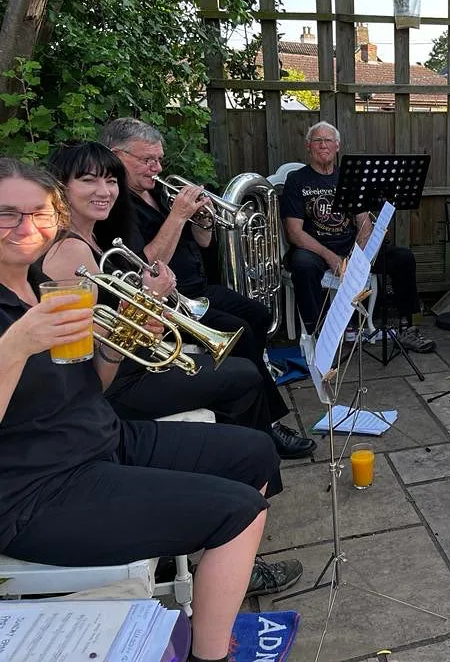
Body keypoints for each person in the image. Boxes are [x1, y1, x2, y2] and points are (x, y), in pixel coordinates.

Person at [0, 158, 303, 662]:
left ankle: (215, 580)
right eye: (7, 214)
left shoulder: (42, 284)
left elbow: (90, 387)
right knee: (240, 510)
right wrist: (14, 346)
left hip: (102, 437)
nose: (26, 227)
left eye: (38, 213)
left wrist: (120, 341)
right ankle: (210, 654)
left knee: (255, 451)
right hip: (36, 489)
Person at [42, 143, 287, 465]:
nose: (104, 191)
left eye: (111, 181)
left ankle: (247, 457)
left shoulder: (96, 235)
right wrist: (151, 297)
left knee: (243, 366)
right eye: (89, 180)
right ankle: (249, 462)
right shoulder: (68, 252)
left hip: (135, 362)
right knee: (243, 374)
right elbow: (91, 347)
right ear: (61, 187)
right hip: (119, 383)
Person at [99, 119, 314, 459]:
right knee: (239, 332)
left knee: (258, 316)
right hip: (169, 301)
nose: (157, 168)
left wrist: (203, 221)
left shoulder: (157, 190)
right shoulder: (115, 206)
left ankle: (251, 408)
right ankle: (264, 427)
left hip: (198, 288)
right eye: (147, 160)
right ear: (116, 156)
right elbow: (145, 266)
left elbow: (203, 242)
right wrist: (179, 215)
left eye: (159, 159)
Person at [281, 121, 435, 353]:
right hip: (315, 250)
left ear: (337, 146)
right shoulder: (297, 180)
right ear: (308, 146)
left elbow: (364, 223)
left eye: (328, 141)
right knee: (302, 265)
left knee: (403, 258)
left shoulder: (350, 177)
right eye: (317, 140)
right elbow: (294, 232)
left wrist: (358, 256)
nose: (323, 145)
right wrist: (331, 257)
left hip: (351, 248)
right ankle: (319, 338)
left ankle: (408, 327)